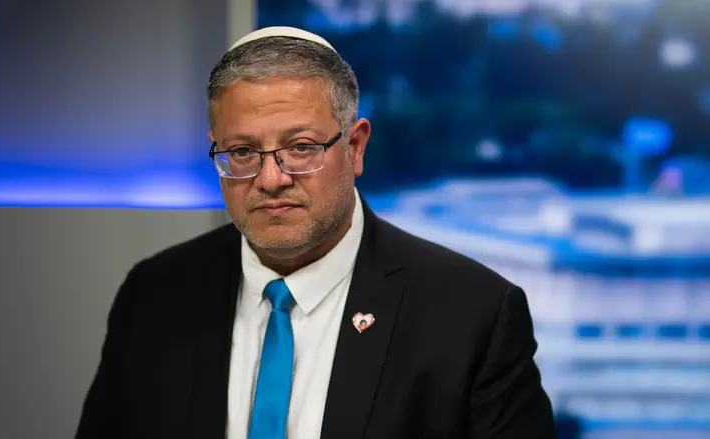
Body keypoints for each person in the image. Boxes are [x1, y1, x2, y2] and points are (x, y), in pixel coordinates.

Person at [76, 26, 556, 439]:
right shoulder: (154, 296)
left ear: (355, 147)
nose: (270, 179)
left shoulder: (472, 314)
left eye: (301, 147)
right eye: (241, 153)